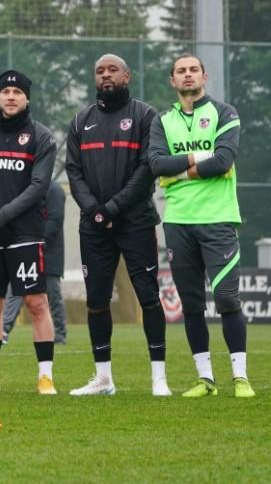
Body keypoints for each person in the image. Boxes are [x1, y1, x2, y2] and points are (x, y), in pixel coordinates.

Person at [148, 53, 254, 398]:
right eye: (181, 71)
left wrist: (178, 172)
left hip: (218, 218)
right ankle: (206, 380)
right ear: (172, 81)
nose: (188, 75)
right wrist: (198, 159)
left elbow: (224, 160)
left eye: (193, 69)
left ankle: (240, 377)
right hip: (178, 222)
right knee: (191, 304)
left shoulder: (225, 113)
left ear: (204, 77)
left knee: (226, 299)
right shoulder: (162, 121)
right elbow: (155, 165)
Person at [66, 54, 169, 397]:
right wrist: (94, 209)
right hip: (93, 225)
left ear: (127, 75)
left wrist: (112, 207)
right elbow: (74, 171)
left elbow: (147, 169)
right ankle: (103, 379)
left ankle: (159, 379)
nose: (106, 75)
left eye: (113, 70)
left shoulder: (145, 115)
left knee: (148, 297)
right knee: (96, 300)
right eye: (100, 71)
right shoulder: (81, 120)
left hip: (135, 222)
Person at [0, 70, 58, 395]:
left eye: (18, 91)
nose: (11, 96)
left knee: (36, 302)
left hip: (25, 231)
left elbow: (38, 186)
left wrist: (1, 215)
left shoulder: (42, 137)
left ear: (27, 98)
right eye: (6, 91)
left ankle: (45, 377)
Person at [2, 179, 67, 346]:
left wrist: (39, 244)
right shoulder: (26, 189)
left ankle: (60, 335)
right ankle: (3, 330)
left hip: (49, 254)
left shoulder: (54, 190)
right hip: (27, 251)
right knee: (18, 291)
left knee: (53, 295)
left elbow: (55, 221)